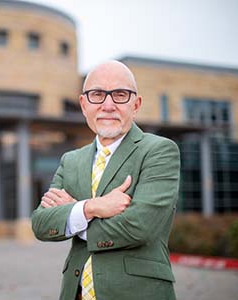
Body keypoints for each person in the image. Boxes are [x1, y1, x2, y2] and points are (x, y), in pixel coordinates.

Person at [31, 60, 180, 300]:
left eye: (120, 95)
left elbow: (140, 227)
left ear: (136, 104)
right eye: (97, 94)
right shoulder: (71, 160)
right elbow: (40, 223)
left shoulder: (159, 151)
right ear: (83, 104)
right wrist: (92, 207)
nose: (108, 105)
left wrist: (74, 215)